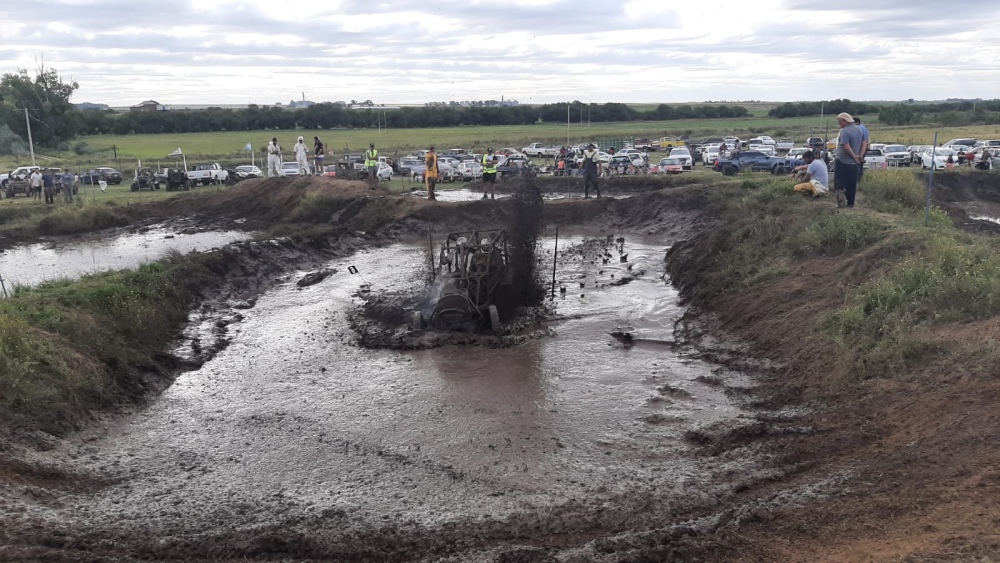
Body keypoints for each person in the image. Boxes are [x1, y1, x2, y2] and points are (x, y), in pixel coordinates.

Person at [834, 112, 864, 209]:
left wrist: (854, 156)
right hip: (855, 164)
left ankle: (841, 204)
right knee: (852, 184)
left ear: (845, 120)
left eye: (840, 121)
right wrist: (859, 156)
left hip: (843, 161)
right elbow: (864, 143)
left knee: (839, 183)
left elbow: (846, 147)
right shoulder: (859, 129)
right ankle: (851, 203)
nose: (839, 124)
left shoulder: (844, 131)